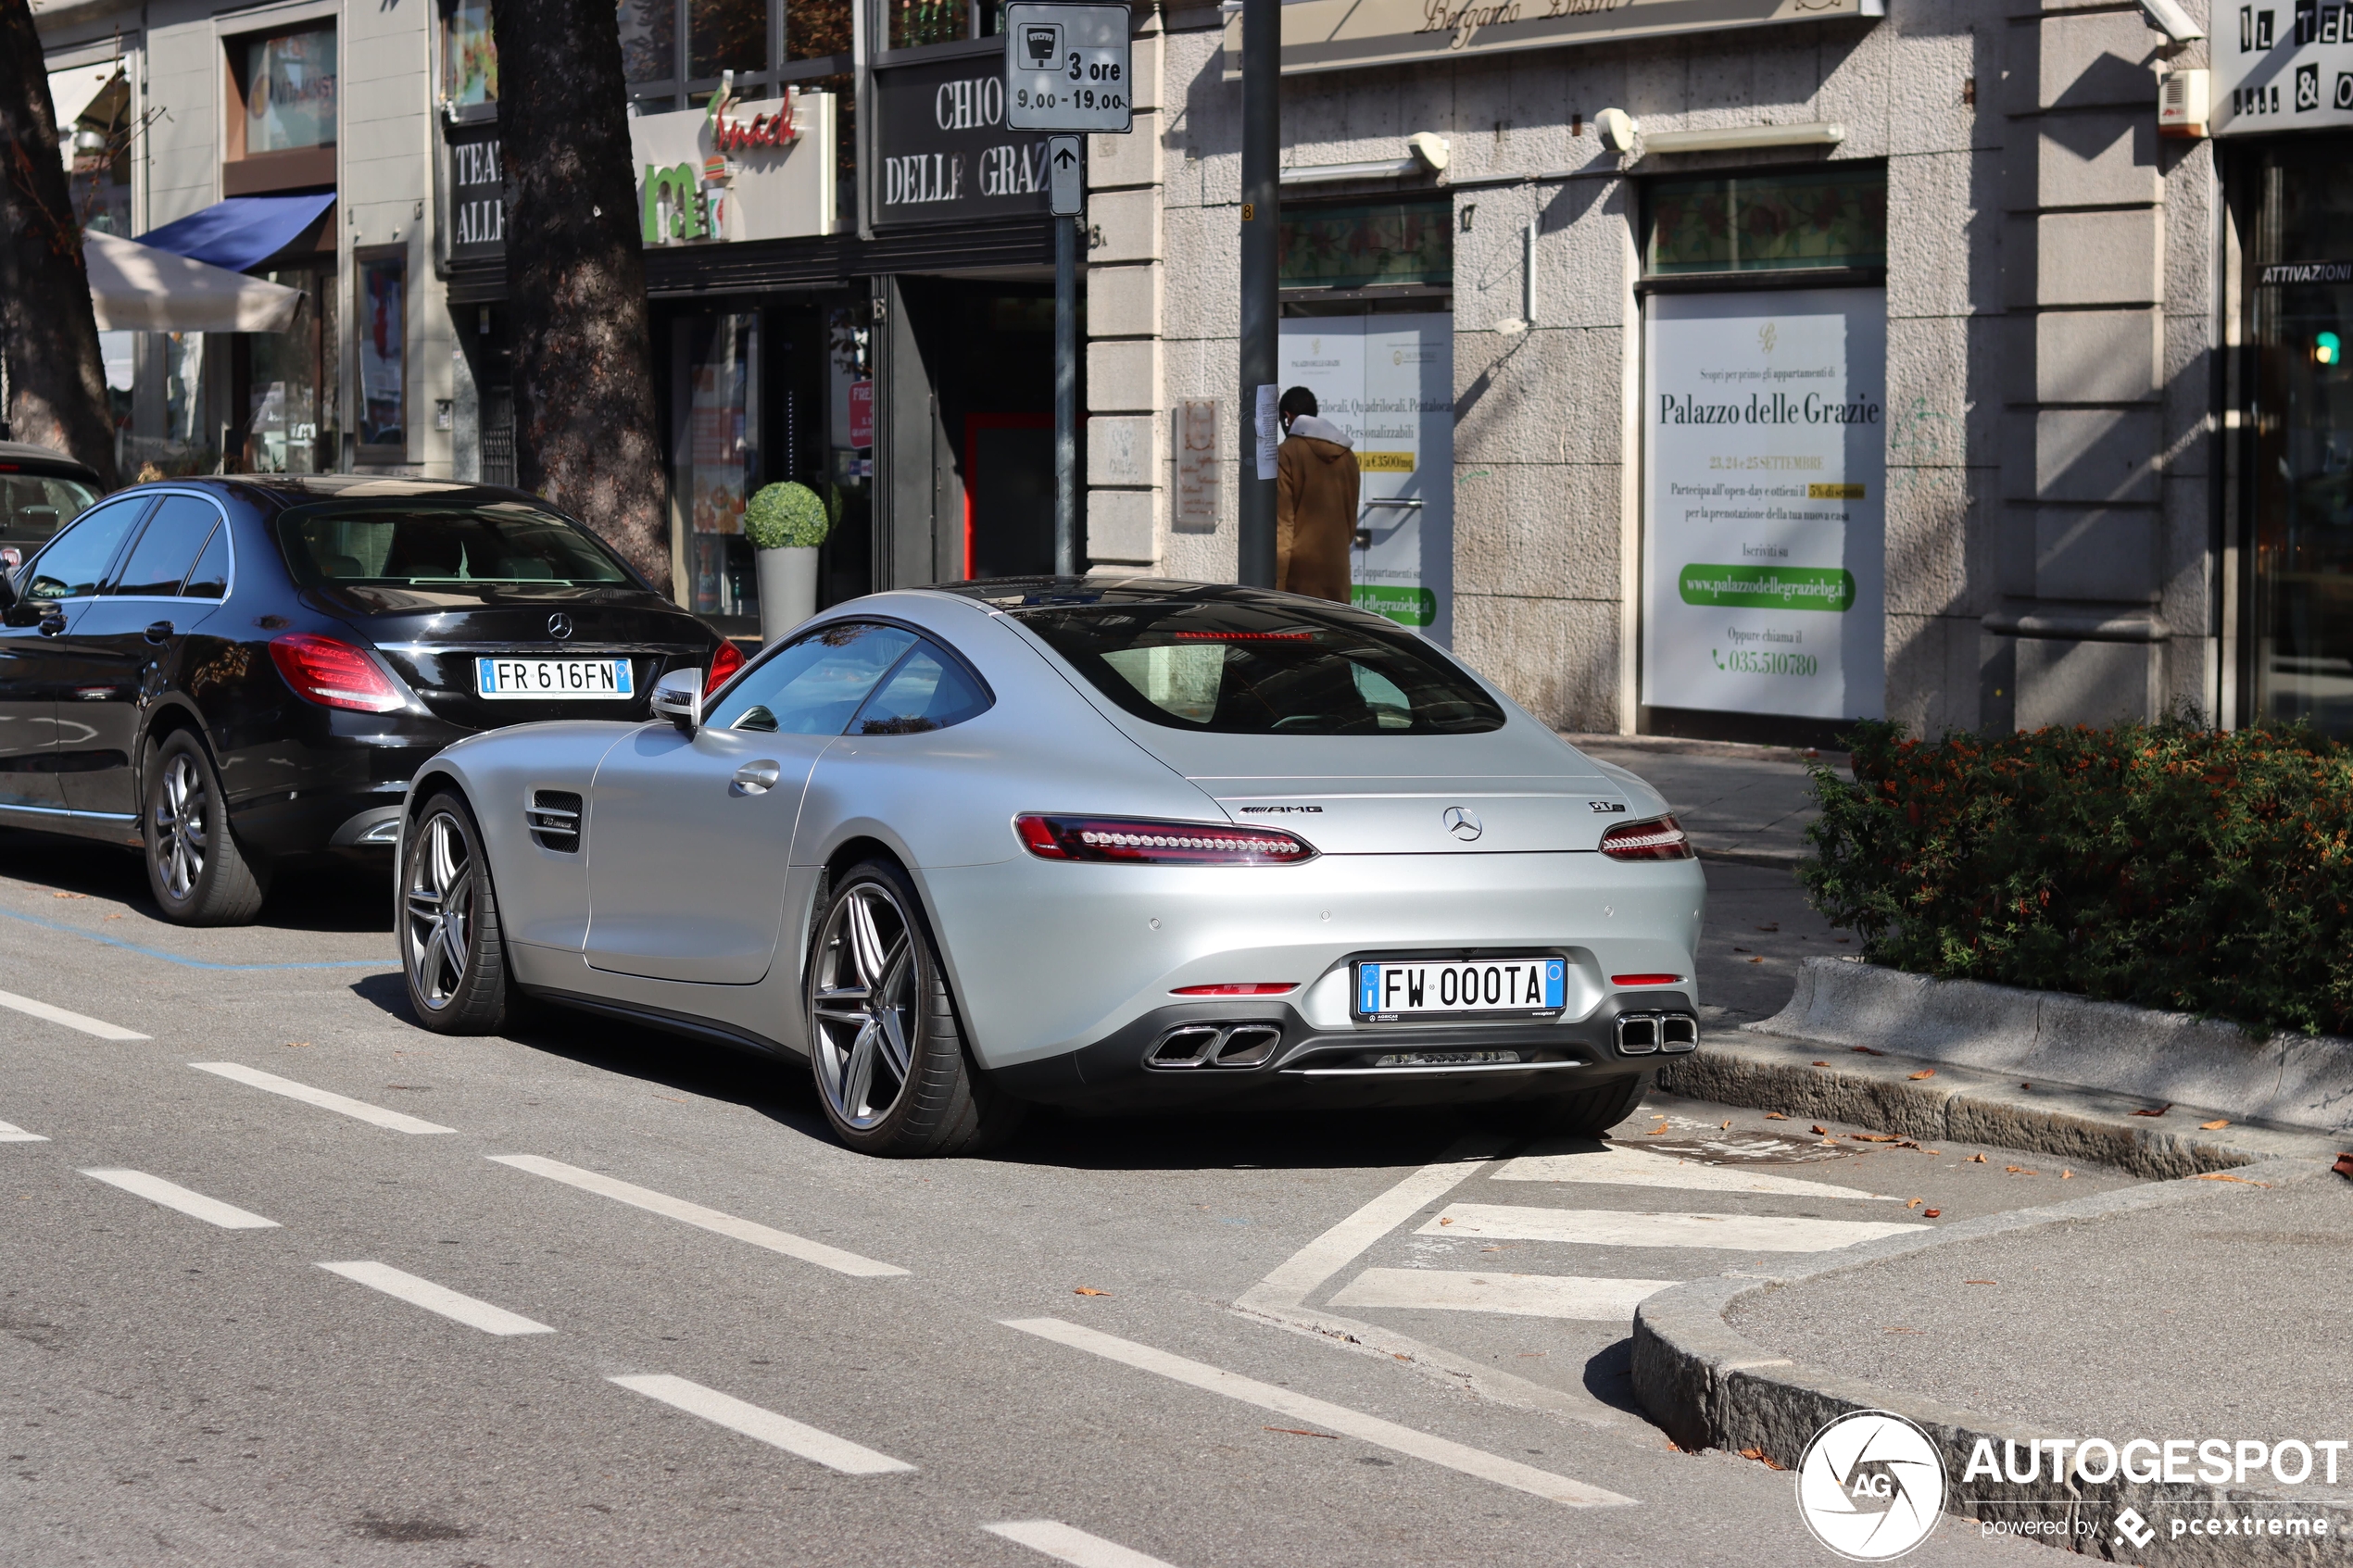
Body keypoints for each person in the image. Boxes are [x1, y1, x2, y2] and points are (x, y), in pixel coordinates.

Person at [1274, 385, 1357, 604]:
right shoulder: (1348, 456)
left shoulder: (1286, 454)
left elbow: (1283, 526)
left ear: (1287, 417)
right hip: (1337, 576)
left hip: (1297, 581)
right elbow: (1350, 522)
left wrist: (1276, 586)